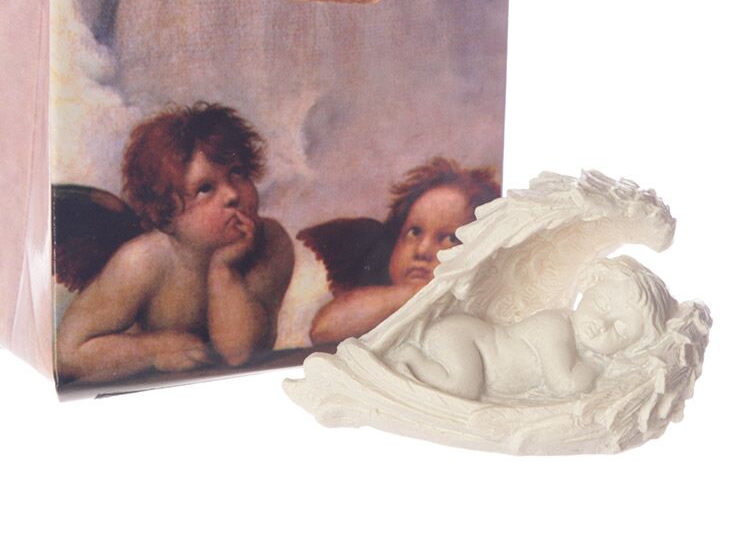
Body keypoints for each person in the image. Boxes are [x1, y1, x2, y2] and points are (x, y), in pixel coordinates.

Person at [56, 103, 294, 384]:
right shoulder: (142, 261)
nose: (232, 194)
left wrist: (223, 269)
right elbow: (67, 354)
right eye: (205, 188)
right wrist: (157, 351)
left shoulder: (271, 242)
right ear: (166, 217)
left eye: (237, 173)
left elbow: (240, 353)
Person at [389, 256, 678, 401]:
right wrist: (598, 369)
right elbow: (565, 385)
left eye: (621, 329)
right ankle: (408, 358)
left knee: (464, 385)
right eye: (601, 304)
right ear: (589, 287)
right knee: (462, 388)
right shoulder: (554, 327)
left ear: (632, 344)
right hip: (465, 339)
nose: (601, 325)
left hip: (469, 341)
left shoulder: (575, 344)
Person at [301, 158, 499, 345]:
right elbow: (324, 330)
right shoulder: (380, 302)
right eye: (414, 232)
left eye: (450, 238)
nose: (422, 250)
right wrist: (419, 291)